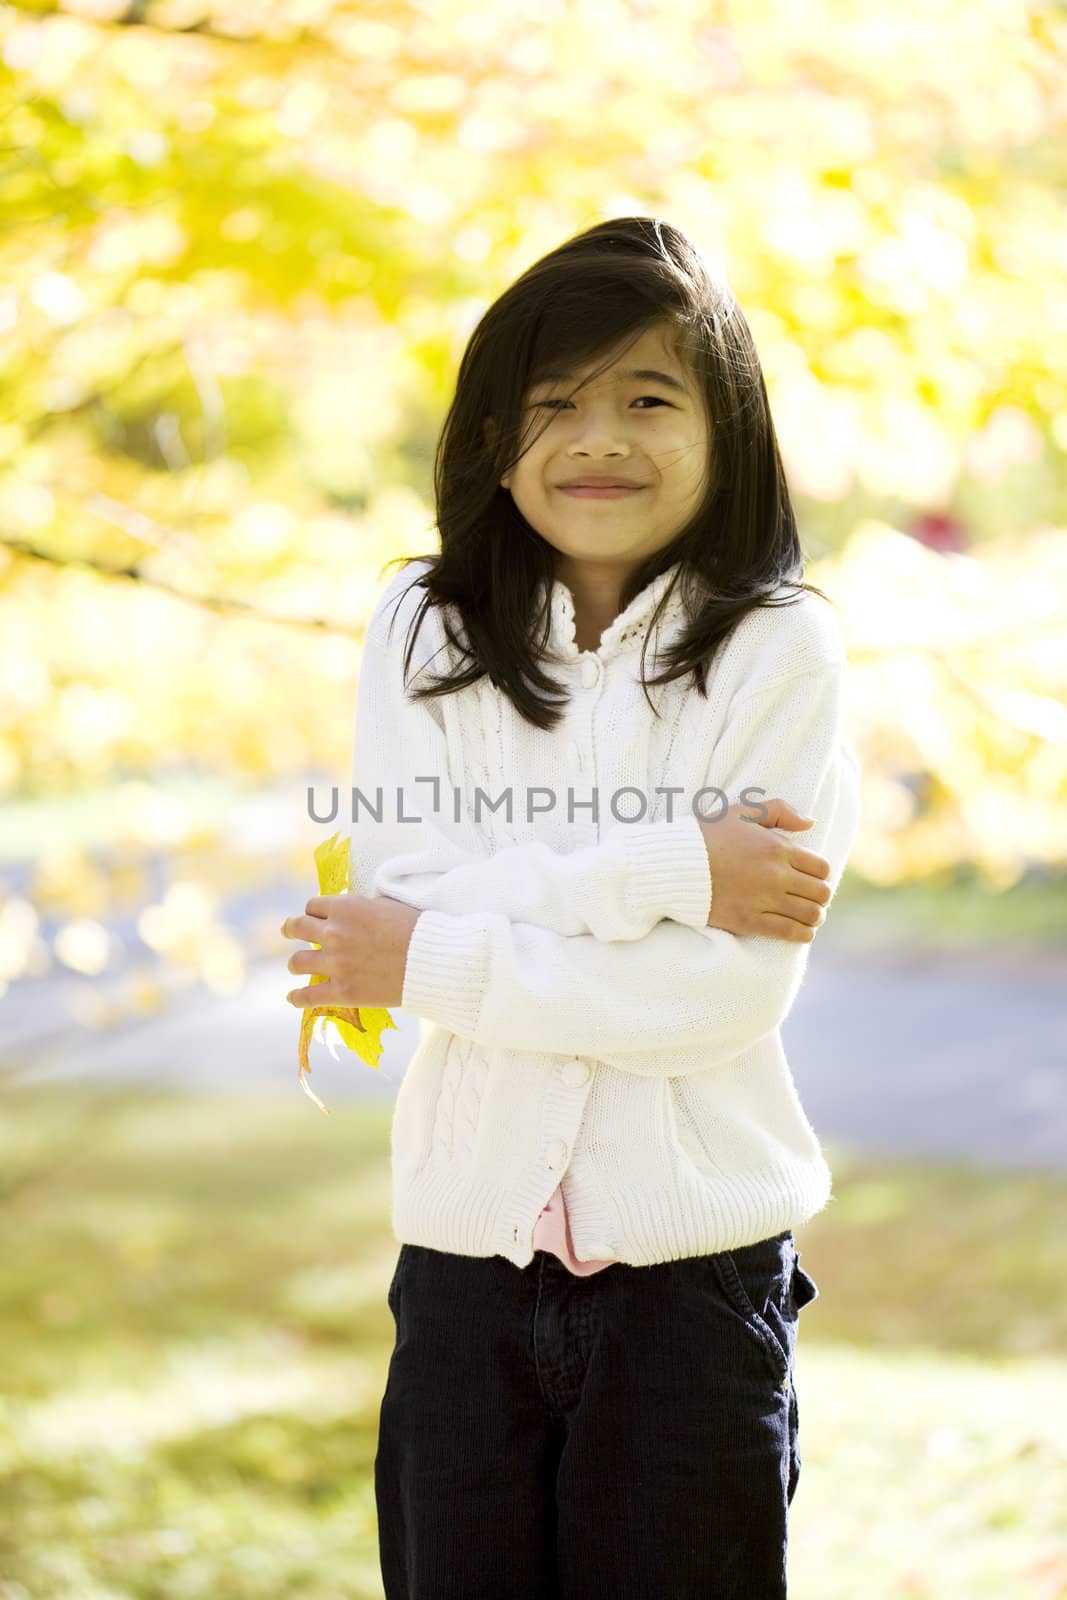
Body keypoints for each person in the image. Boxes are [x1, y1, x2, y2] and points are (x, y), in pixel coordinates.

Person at [281, 216, 862, 1598]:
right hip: (464, 1265)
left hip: (695, 1283)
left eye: (648, 399)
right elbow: (401, 898)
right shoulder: (422, 629)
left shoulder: (781, 650)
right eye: (554, 405)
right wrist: (671, 873)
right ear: (493, 438)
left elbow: (722, 994)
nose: (599, 437)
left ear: (727, 434)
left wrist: (434, 957)